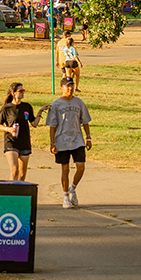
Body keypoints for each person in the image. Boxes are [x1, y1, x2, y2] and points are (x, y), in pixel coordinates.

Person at [45, 77, 93, 209]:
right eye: (67, 86)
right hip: (62, 141)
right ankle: (66, 196)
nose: (70, 88)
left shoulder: (79, 102)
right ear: (61, 88)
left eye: (71, 86)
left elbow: (85, 121)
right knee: (65, 169)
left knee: (81, 167)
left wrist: (88, 137)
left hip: (77, 139)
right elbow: (52, 125)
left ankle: (73, 188)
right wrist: (52, 142)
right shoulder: (56, 104)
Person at [0, 83, 44, 180]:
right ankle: (11, 193)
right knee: (15, 170)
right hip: (11, 142)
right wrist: (8, 129)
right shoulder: (6, 108)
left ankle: (19, 193)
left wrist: (40, 112)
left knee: (22, 174)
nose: (23, 93)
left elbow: (34, 124)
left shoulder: (27, 107)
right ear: (13, 93)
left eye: (23, 90)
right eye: (20, 91)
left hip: (24, 142)